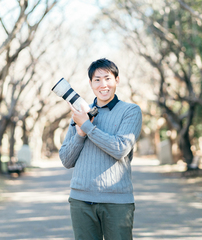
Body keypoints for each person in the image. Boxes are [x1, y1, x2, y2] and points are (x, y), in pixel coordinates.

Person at [59, 58, 142, 240]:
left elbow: (120, 149)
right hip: (81, 201)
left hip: (117, 201)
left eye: (107, 78)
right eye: (97, 80)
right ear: (90, 83)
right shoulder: (80, 113)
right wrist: (80, 134)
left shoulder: (131, 111)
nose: (103, 85)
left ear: (117, 80)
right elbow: (66, 160)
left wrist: (88, 128)